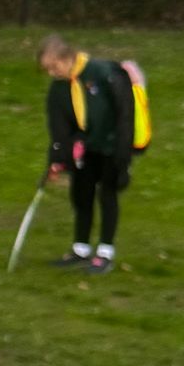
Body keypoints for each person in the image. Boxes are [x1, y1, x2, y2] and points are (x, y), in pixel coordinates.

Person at [40, 34, 141, 274]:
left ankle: (105, 252)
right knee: (81, 195)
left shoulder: (105, 73)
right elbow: (59, 127)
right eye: (47, 69)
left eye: (54, 66)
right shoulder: (59, 87)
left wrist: (123, 155)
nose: (52, 73)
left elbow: (125, 114)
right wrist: (57, 159)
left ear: (67, 57)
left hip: (111, 147)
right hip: (85, 149)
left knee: (107, 195)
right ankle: (81, 249)